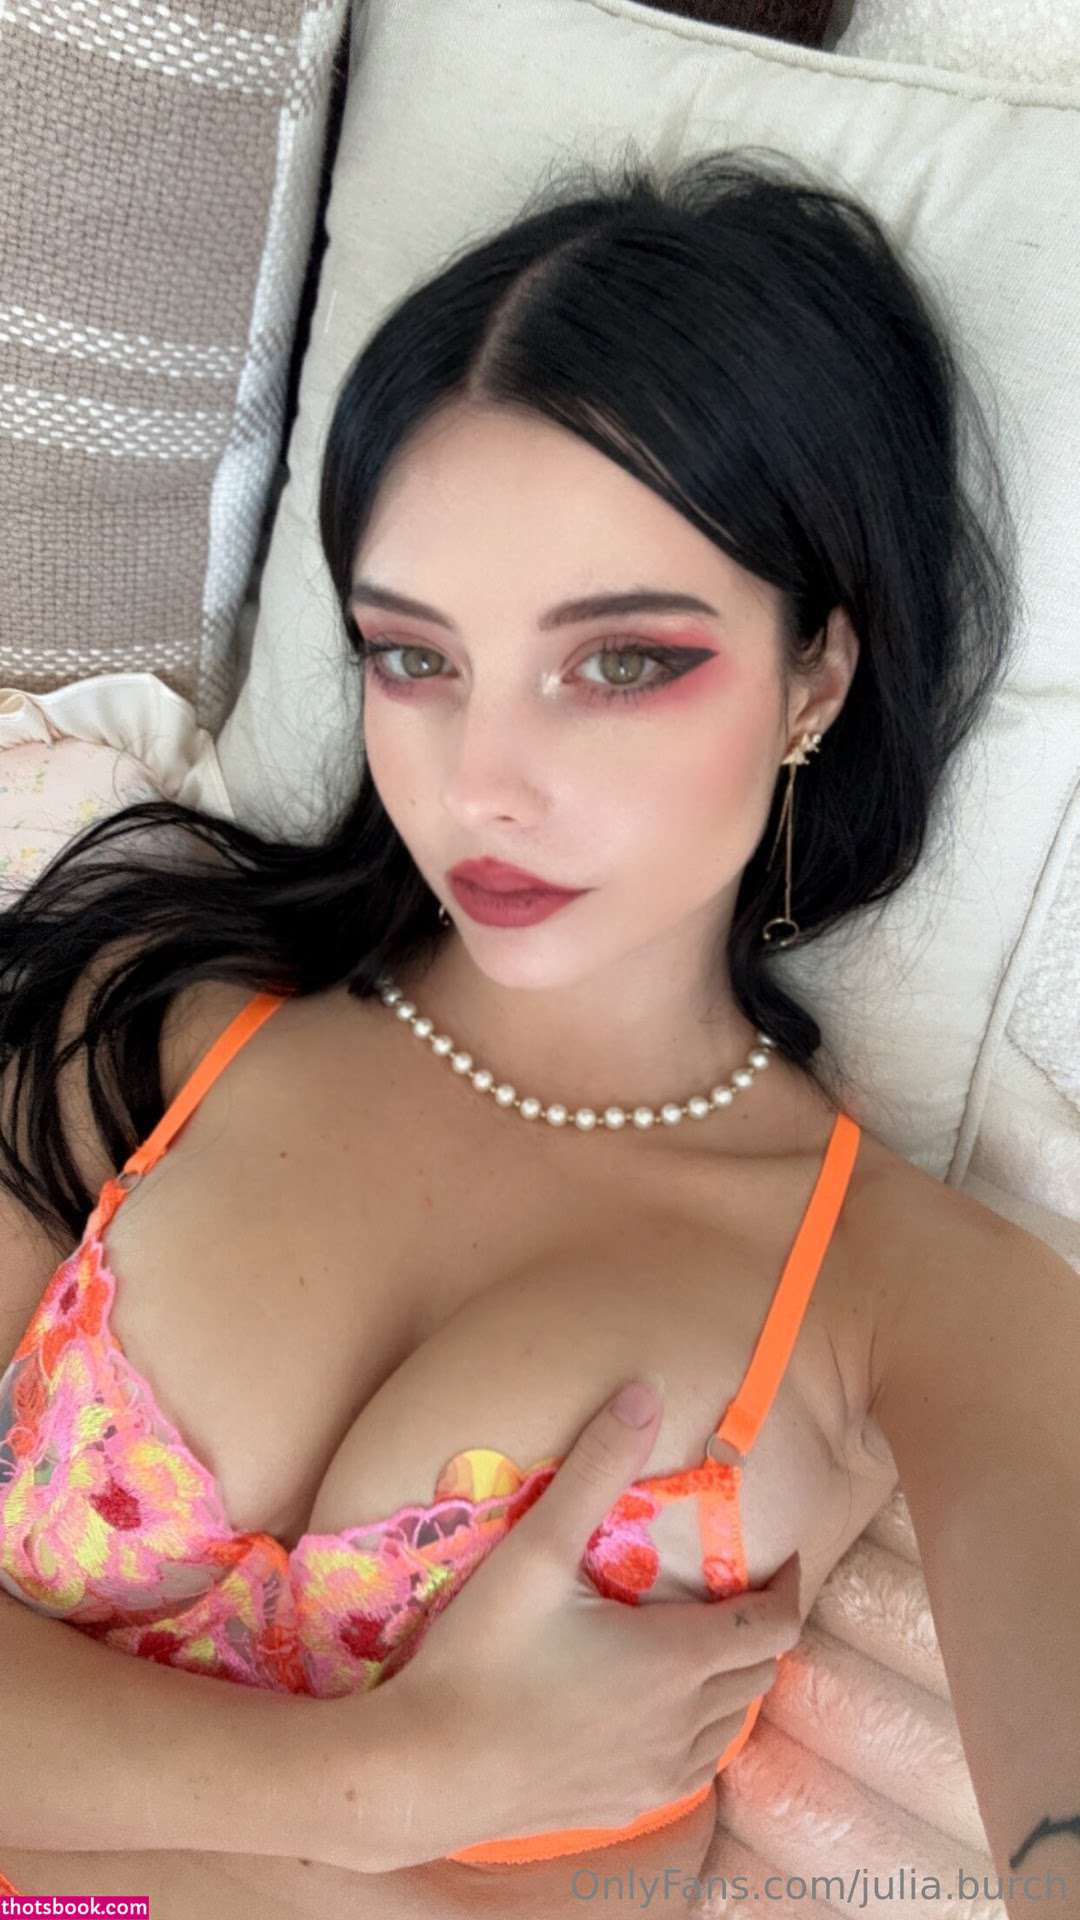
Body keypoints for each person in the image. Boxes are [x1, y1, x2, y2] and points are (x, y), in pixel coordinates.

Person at [3, 146, 1074, 1920]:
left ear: (817, 672)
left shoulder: (922, 1295)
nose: (482, 785)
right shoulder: (153, 1023)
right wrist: (396, 1787)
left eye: (622, 661)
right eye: (413, 658)